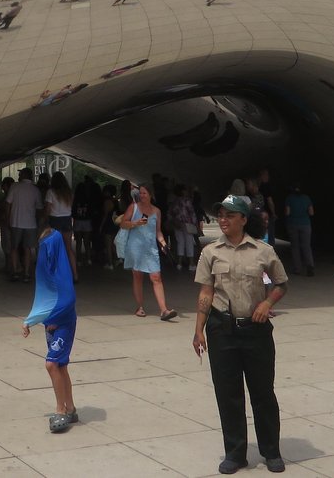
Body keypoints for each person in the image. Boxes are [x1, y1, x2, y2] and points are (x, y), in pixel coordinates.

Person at [193, 195, 288, 474]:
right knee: (228, 394)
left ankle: (271, 451)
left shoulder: (263, 251)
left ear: (244, 219)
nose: (223, 220)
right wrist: (198, 330)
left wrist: (267, 303)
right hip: (222, 330)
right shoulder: (210, 252)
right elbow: (205, 292)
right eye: (220, 215)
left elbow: (281, 283)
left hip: (256, 331)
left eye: (230, 215)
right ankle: (235, 453)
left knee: (263, 394)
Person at [23, 228, 79, 433]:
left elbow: (68, 299)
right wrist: (33, 319)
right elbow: (44, 297)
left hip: (63, 324)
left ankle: (60, 409)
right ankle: (71, 407)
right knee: (61, 366)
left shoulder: (61, 271)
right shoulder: (47, 270)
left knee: (51, 364)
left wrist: (52, 318)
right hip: (52, 324)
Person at [120, 184, 177, 320]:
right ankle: (139, 307)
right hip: (135, 247)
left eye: (145, 193)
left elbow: (158, 231)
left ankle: (164, 310)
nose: (142, 195)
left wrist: (163, 244)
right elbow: (122, 223)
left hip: (151, 248)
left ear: (151, 195)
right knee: (138, 276)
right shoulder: (133, 207)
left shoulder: (156, 211)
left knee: (156, 277)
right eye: (141, 193)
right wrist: (135, 223)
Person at [6, 167, 42, 282]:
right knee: (28, 249)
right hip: (31, 223)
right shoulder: (35, 190)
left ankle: (16, 271)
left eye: (20, 174)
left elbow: (8, 203)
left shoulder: (15, 187)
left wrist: (7, 218)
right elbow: (39, 208)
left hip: (16, 222)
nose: (18, 176)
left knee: (14, 248)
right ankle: (27, 273)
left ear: (23, 176)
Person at [44, 171, 77, 282]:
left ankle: (56, 276)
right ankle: (75, 275)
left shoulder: (50, 192)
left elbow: (48, 209)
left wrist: (45, 219)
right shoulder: (69, 193)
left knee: (54, 249)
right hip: (67, 220)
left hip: (55, 221)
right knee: (68, 249)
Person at [283, 184, 315, 276]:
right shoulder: (307, 198)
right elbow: (311, 212)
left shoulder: (289, 198)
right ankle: (310, 266)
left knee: (295, 247)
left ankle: (297, 269)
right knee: (306, 246)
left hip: (293, 224)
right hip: (305, 224)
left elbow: (288, 212)